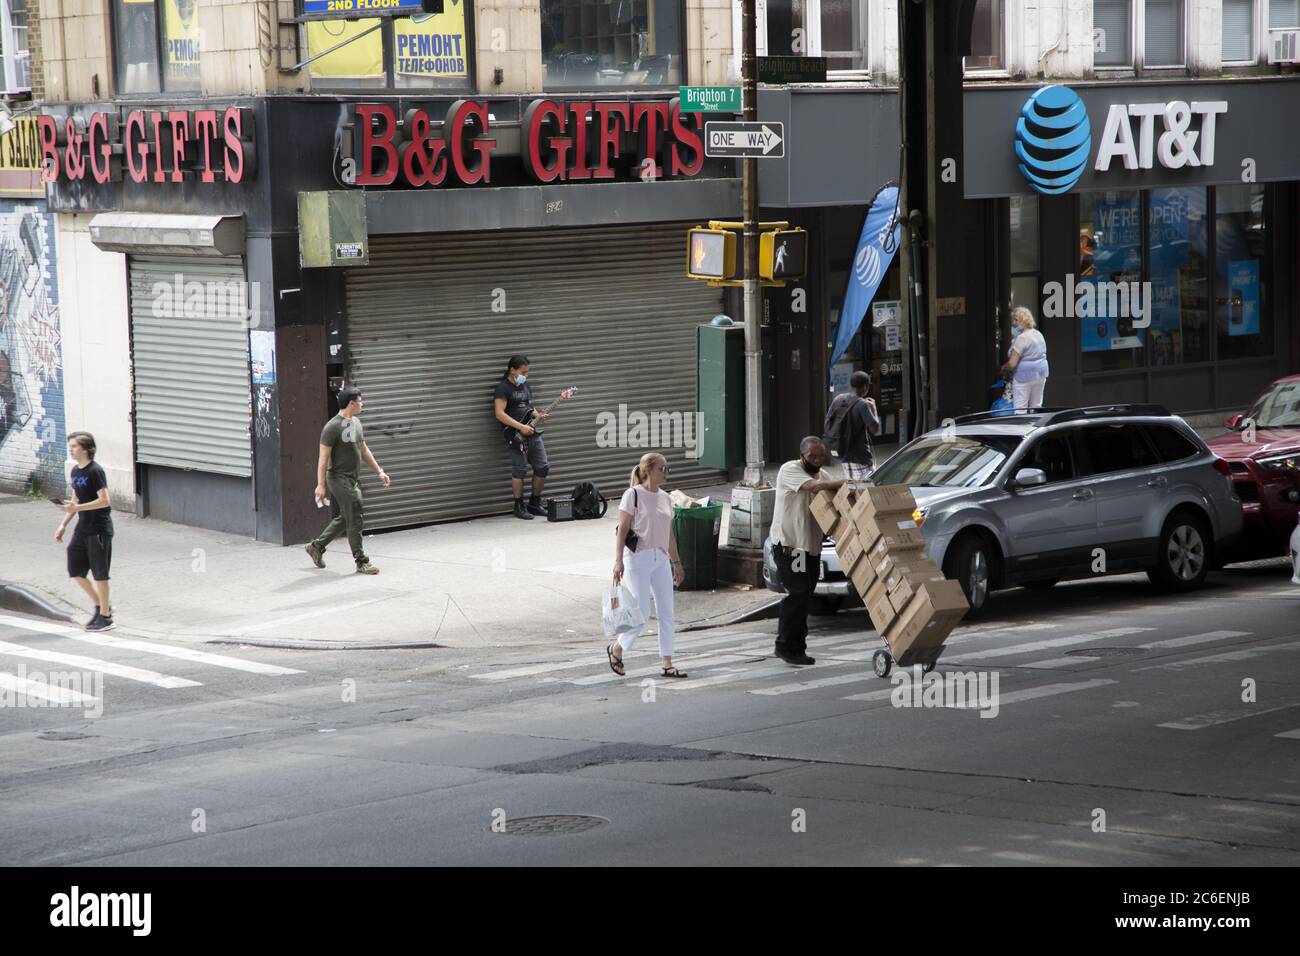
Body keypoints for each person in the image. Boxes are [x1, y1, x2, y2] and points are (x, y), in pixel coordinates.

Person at [606, 452, 688, 679]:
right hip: (638, 559)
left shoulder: (665, 497)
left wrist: (676, 563)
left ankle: (667, 662)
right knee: (641, 612)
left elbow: (669, 533)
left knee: (667, 612)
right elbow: (621, 530)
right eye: (663, 468)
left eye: (667, 468)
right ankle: (617, 648)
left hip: (660, 559)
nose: (666, 472)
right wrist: (618, 560)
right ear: (649, 470)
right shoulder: (632, 495)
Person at [769, 437, 845, 666]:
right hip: (792, 547)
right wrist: (846, 482)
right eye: (812, 456)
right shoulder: (789, 469)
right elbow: (814, 487)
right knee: (798, 593)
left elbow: (834, 494)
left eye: (821, 456)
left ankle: (798, 647)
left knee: (805, 597)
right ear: (802, 455)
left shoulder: (823, 475)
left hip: (811, 548)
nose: (817, 460)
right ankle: (784, 646)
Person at [305, 387, 390, 574]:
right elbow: (323, 459)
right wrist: (320, 485)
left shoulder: (356, 423)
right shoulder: (332, 427)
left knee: (347, 516)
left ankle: (316, 547)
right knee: (356, 513)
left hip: (352, 479)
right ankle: (361, 561)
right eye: (360, 401)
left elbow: (364, 450)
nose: (362, 403)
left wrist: (379, 471)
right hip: (337, 478)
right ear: (351, 403)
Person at [53, 432, 116, 631]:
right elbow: (76, 501)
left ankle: (105, 618)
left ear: (86, 449)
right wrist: (63, 523)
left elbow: (105, 500)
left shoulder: (94, 471)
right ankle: (101, 605)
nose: (70, 449)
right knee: (75, 569)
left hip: (98, 528)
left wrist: (76, 509)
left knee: (100, 574)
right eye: (70, 446)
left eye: (74, 446)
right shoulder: (75, 472)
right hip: (82, 528)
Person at [493, 355, 550, 520]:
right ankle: (519, 505)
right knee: (520, 470)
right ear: (512, 370)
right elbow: (499, 414)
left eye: (527, 372)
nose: (526, 375)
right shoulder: (502, 389)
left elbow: (529, 407)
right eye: (523, 372)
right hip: (515, 435)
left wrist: (539, 415)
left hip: (531, 432)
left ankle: (534, 502)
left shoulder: (525, 386)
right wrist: (520, 427)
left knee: (543, 467)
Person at [826, 370, 880, 481]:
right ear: (865, 387)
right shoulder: (862, 404)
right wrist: (874, 409)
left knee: (853, 489)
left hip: (842, 453)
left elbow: (827, 423)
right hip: (860, 457)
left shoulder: (838, 399)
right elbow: (875, 429)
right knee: (866, 490)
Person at [1000, 307, 1049, 411]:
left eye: (1016, 320)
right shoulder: (1038, 334)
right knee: (1036, 407)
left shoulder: (1022, 338)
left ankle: (1021, 427)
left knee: (1020, 409)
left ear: (1024, 320)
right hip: (1041, 374)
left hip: (1024, 376)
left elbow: (1012, 363)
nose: (1013, 323)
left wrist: (1003, 368)